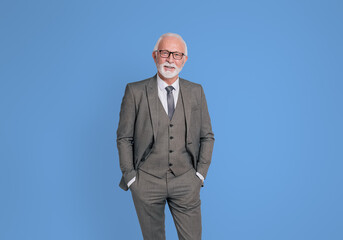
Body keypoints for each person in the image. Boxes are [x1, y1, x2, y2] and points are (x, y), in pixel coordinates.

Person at [117, 33, 214, 240]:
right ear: (155, 56)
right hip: (147, 181)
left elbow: (207, 136)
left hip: (186, 180)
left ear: (184, 60)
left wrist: (200, 175)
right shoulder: (135, 91)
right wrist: (131, 177)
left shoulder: (196, 91)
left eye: (177, 54)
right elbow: (124, 137)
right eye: (165, 53)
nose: (170, 59)